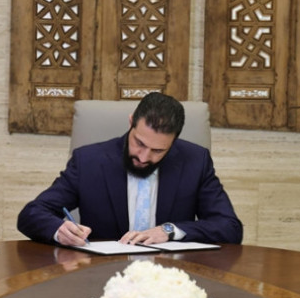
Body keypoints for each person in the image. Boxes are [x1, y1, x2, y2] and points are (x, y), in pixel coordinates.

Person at [17, 92, 243, 246]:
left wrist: (169, 230)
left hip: (171, 281)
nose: (144, 157)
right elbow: (32, 214)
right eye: (139, 143)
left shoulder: (195, 161)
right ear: (131, 122)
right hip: (102, 277)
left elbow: (230, 227)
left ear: (173, 142)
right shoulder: (89, 161)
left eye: (158, 151)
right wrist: (60, 230)